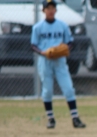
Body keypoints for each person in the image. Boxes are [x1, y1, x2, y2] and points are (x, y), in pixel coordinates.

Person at [31, 0, 86, 129]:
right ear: (43, 10)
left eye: (52, 8)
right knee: (47, 91)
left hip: (60, 60)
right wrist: (42, 52)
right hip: (45, 61)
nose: (50, 10)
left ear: (56, 10)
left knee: (68, 89)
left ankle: (75, 118)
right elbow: (33, 45)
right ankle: (50, 119)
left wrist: (65, 48)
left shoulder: (62, 25)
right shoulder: (38, 27)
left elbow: (70, 42)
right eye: (48, 8)